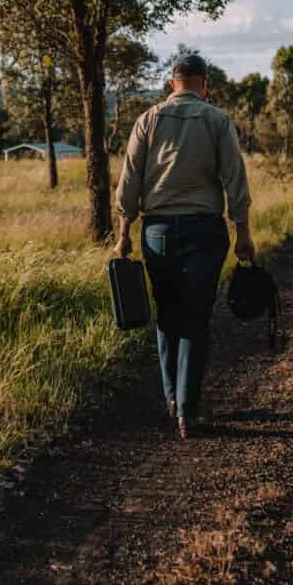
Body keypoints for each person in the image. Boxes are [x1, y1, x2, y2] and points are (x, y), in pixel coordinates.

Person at [114, 52, 255, 439]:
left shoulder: (148, 120)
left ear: (171, 82)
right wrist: (242, 232)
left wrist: (123, 233)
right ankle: (187, 412)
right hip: (204, 230)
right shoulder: (217, 119)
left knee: (167, 316)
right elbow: (234, 180)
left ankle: (171, 399)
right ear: (203, 83)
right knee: (195, 317)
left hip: (156, 230)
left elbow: (130, 181)